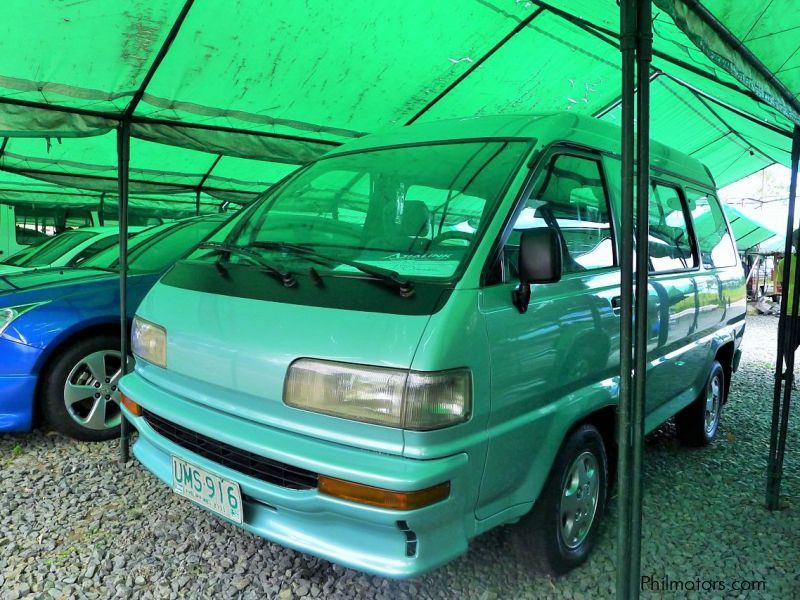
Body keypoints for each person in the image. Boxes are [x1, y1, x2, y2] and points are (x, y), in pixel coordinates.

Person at [775, 229, 800, 350]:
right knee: (786, 347)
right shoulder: (784, 263)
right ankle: (788, 368)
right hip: (790, 310)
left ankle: (788, 368)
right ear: (793, 243)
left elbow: (784, 286)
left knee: (786, 346)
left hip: (790, 309)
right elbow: (784, 286)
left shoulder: (785, 262)